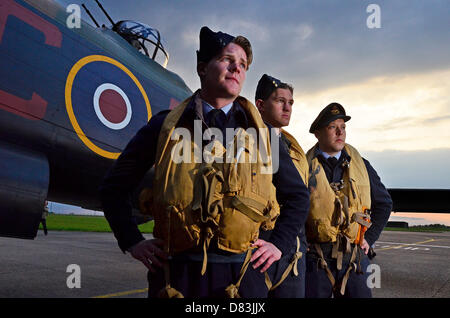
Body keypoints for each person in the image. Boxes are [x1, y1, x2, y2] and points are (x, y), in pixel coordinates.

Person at [99, 26, 309, 298]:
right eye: (227, 60)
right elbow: (113, 188)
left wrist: (278, 244)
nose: (237, 69)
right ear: (202, 68)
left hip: (243, 279)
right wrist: (132, 241)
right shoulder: (165, 126)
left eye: (243, 65)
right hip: (177, 277)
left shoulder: (264, 135)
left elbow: (298, 197)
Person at [305, 102, 392, 298]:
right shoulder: (303, 166)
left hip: (355, 256)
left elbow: (384, 204)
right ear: (317, 133)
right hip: (316, 258)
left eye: (343, 127)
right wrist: (302, 241)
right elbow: (291, 206)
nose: (340, 132)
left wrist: (368, 239)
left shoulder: (361, 165)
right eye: (332, 127)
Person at [254, 74, 309, 298]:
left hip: (293, 256)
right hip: (260, 250)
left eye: (290, 103)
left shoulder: (295, 150)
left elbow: (304, 200)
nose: (287, 108)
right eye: (279, 101)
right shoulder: (245, 139)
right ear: (260, 105)